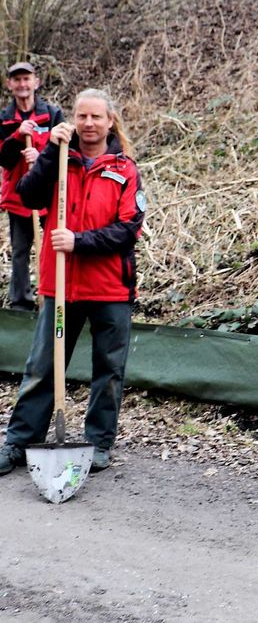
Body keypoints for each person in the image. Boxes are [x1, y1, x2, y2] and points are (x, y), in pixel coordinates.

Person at [0, 88, 145, 475]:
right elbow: (27, 195)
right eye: (82, 116)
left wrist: (78, 241)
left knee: (108, 371)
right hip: (61, 286)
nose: (88, 123)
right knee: (42, 367)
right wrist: (50, 152)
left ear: (110, 120)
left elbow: (128, 229)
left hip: (110, 287)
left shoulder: (125, 169)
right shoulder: (60, 159)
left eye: (96, 117)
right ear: (73, 120)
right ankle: (18, 442)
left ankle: (97, 443)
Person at [0, 62, 64, 310]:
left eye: (27, 79)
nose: (22, 84)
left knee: (51, 247)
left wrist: (41, 158)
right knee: (20, 252)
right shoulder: (4, 119)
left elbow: (66, 151)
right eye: (17, 80)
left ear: (36, 82)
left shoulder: (52, 114)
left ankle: (52, 296)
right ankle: (21, 303)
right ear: (10, 85)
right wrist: (17, 136)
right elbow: (3, 159)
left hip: (47, 193)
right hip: (18, 196)